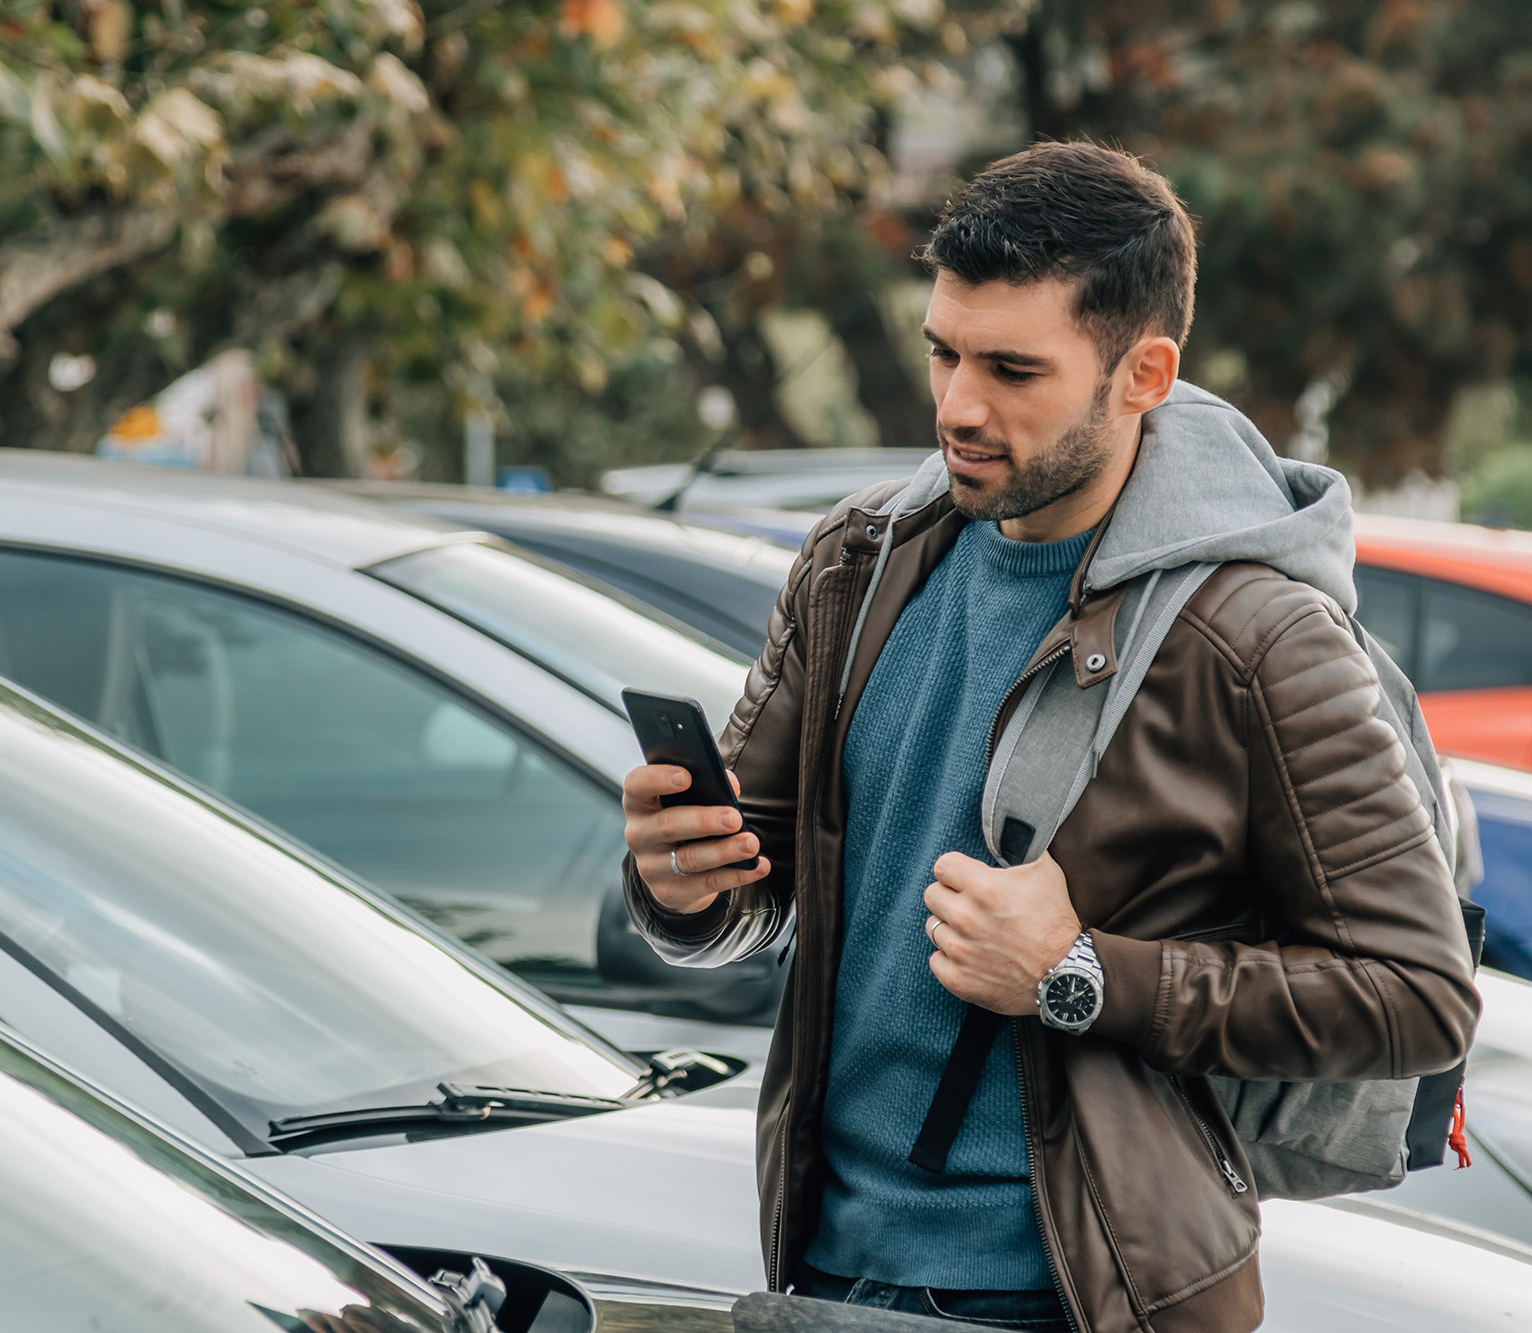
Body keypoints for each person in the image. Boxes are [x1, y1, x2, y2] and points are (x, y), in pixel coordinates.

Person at [619, 141, 1480, 1333]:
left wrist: (1080, 976)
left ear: (1142, 373)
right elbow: (750, 883)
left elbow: (1414, 994)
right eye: (942, 352)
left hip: (1083, 1292)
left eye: (1013, 369)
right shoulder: (855, 561)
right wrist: (679, 883)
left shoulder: (1253, 634)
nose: (958, 407)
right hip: (821, 1260)